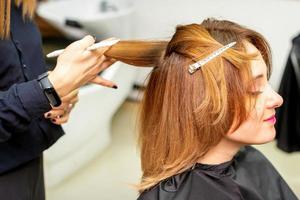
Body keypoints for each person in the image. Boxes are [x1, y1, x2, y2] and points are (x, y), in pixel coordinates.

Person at [101, 18, 299, 199]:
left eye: (267, 82)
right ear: (202, 103)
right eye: (254, 89)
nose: (278, 99)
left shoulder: (246, 157)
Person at [0, 0, 117, 199]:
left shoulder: (18, 6)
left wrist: (57, 91)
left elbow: (17, 74)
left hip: (30, 156)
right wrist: (46, 89)